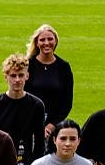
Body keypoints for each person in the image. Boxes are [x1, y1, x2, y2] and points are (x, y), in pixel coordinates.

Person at [25, 24, 74, 152]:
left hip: (54, 124)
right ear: (37, 43)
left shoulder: (63, 67)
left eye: (50, 39)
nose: (46, 43)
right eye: (42, 40)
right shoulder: (28, 65)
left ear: (56, 41)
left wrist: (51, 126)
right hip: (30, 122)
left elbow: (67, 102)